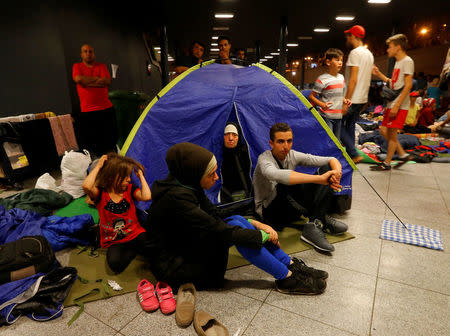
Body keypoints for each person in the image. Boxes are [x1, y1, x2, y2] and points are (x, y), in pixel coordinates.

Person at [144, 142, 328, 295]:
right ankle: (285, 278)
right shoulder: (176, 199)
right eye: (211, 174)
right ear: (195, 173)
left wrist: (255, 223)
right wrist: (262, 235)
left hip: (185, 246)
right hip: (176, 267)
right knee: (236, 232)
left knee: (237, 220)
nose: (216, 178)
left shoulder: (186, 184)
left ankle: (289, 264)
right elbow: (220, 230)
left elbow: (215, 214)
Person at [252, 123, 348, 253]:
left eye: (289, 141)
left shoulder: (292, 154)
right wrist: (319, 179)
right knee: (285, 183)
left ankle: (316, 221)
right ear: (271, 143)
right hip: (270, 214)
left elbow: (331, 159)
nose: (286, 146)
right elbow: (275, 175)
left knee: (327, 169)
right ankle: (319, 219)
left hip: (289, 209)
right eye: (281, 141)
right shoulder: (264, 159)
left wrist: (336, 173)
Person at [82, 153, 152, 274]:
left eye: (129, 176)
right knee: (115, 264)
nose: (129, 179)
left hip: (134, 233)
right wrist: (98, 166)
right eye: (125, 177)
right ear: (112, 177)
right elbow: (86, 186)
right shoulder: (100, 194)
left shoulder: (130, 189)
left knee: (154, 249)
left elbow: (146, 196)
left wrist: (141, 176)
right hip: (114, 239)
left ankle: (134, 247)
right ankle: (134, 249)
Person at [372, 34, 415, 171]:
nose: (387, 50)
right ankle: (402, 154)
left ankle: (387, 163)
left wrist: (397, 105)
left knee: (391, 134)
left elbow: (408, 85)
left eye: (390, 47)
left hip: (400, 105)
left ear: (398, 47)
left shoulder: (407, 61)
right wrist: (379, 74)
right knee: (384, 130)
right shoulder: (398, 62)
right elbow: (393, 83)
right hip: (393, 103)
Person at [73, 44, 118, 157]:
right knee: (93, 141)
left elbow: (107, 81)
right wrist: (98, 80)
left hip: (106, 108)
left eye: (91, 51)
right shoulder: (77, 66)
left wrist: (87, 81)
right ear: (81, 54)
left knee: (109, 140)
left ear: (94, 53)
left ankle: (113, 161)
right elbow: (78, 79)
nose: (88, 54)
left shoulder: (101, 66)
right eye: (85, 51)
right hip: (88, 111)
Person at [341, 25, 374, 163]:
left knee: (335, 123)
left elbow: (353, 79)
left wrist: (346, 101)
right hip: (362, 98)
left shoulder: (355, 53)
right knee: (349, 125)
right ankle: (351, 153)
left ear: (353, 36)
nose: (347, 38)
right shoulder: (369, 54)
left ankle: (354, 153)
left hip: (353, 98)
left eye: (348, 36)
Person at [309, 48, 351, 140]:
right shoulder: (322, 79)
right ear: (328, 62)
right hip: (326, 117)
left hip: (338, 117)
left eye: (341, 60)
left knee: (337, 142)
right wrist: (322, 105)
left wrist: (345, 100)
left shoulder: (341, 77)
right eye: (337, 60)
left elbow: (339, 95)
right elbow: (311, 96)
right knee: (329, 141)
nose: (340, 62)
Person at [220, 122, 252, 203]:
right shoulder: (218, 154)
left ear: (238, 137)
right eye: (227, 134)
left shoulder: (246, 153)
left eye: (234, 135)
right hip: (223, 198)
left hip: (246, 197)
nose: (230, 138)